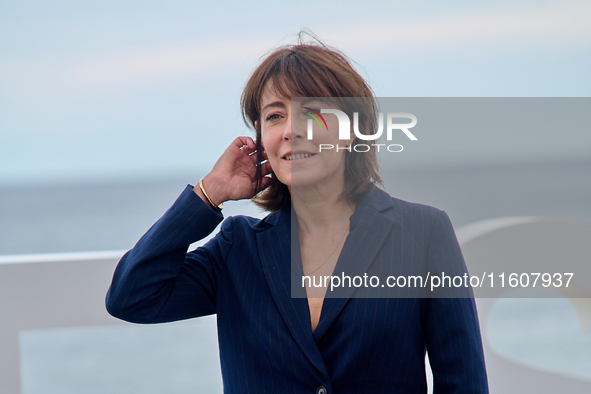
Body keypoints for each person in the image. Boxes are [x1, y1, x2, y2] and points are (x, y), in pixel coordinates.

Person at [106, 37, 488, 393]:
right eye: (274, 116)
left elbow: (464, 381)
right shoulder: (237, 249)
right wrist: (209, 194)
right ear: (260, 137)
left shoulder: (423, 233)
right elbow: (132, 297)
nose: (291, 130)